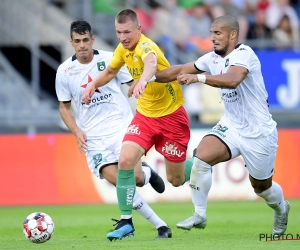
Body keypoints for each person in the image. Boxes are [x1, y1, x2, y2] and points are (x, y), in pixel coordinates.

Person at [150, 15, 290, 238]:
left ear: (232, 35)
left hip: (258, 133)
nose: (212, 38)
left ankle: (281, 209)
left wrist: (199, 79)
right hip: (231, 126)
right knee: (201, 156)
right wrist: (147, 78)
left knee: (261, 187)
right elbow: (179, 70)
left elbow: (232, 79)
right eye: (211, 33)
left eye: (218, 33)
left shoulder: (245, 55)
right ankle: (199, 214)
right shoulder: (211, 58)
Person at [81, 9, 194, 241]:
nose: (123, 37)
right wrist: (92, 86)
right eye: (119, 32)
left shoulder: (146, 46)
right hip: (144, 117)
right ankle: (126, 222)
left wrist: (142, 80)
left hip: (172, 117)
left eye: (127, 32)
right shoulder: (123, 49)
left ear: (139, 30)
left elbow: (151, 63)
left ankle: (201, 163)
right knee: (125, 160)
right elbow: (111, 71)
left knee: (176, 180)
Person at [55, 20, 172, 240]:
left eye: (85, 40)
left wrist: (144, 97)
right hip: (94, 139)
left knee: (135, 178)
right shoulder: (64, 71)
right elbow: (64, 107)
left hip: (122, 128)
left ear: (93, 39)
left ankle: (145, 173)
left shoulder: (110, 59)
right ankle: (161, 226)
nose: (82, 46)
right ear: (71, 42)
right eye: (77, 41)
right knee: (122, 183)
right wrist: (77, 132)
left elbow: (132, 83)